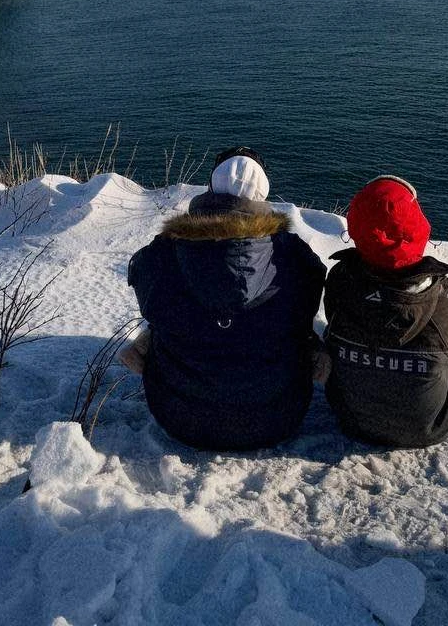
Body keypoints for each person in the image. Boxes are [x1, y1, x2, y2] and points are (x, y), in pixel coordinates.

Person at [126, 147, 326, 450]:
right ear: (262, 195)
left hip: (179, 418)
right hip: (277, 418)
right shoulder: (294, 254)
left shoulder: (164, 251)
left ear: (211, 188)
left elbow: (152, 305)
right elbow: (305, 313)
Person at [322, 175, 448, 448]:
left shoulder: (339, 280)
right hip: (429, 427)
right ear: (417, 226)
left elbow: (332, 317)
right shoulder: (446, 297)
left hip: (350, 415)